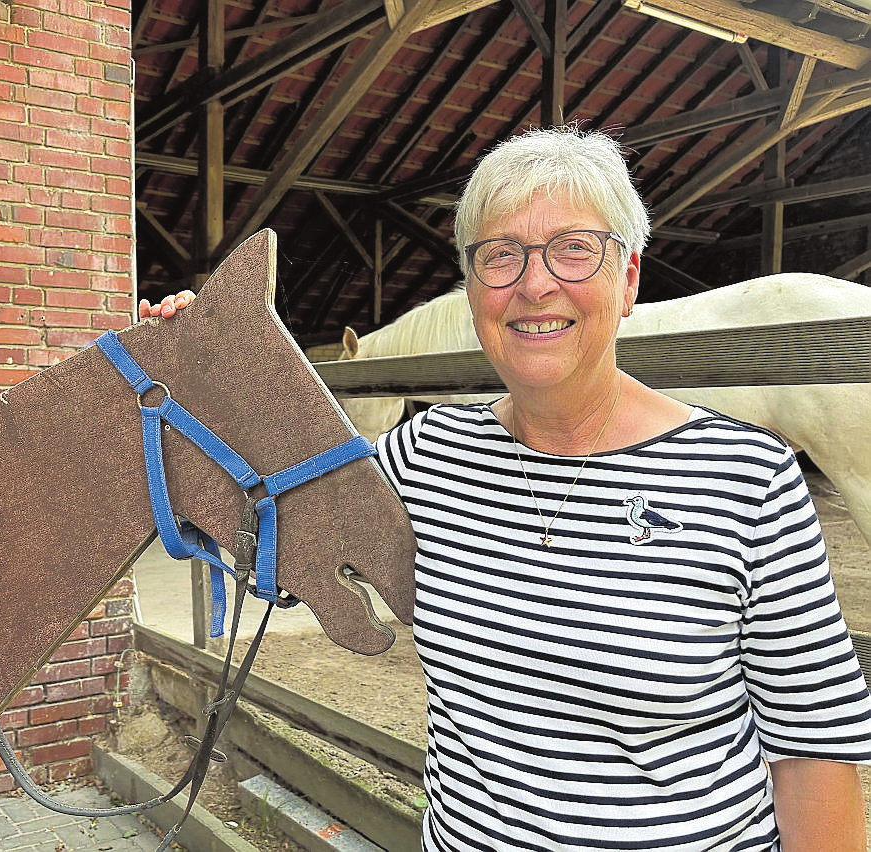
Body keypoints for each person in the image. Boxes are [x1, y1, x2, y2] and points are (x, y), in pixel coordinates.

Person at [140, 125, 871, 851]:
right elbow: (274, 535)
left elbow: (813, 753)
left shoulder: (750, 480)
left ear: (630, 278)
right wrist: (198, 390)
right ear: (472, 288)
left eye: (574, 248)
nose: (534, 283)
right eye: (500, 255)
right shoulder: (426, 456)